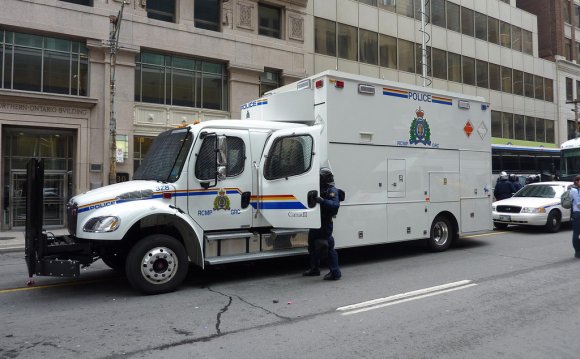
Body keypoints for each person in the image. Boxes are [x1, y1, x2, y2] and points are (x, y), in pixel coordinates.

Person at [303, 167, 342, 280]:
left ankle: (335, 273)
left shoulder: (331, 190)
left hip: (325, 223)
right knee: (312, 246)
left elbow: (335, 205)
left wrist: (323, 201)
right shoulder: (320, 188)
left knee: (327, 246)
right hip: (316, 222)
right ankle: (314, 269)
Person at [570, 175, 580, 258]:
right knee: (576, 233)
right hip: (577, 214)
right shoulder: (574, 190)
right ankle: (577, 251)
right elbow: (578, 204)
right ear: (577, 181)